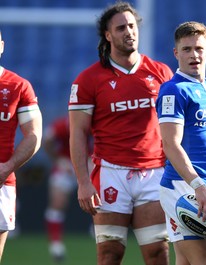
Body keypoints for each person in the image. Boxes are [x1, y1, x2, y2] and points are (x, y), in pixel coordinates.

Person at [68, 2, 173, 265]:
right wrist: (83, 181)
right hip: (111, 174)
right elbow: (78, 134)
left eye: (132, 25)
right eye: (121, 27)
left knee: (158, 254)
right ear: (108, 35)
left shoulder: (161, 73)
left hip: (154, 174)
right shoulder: (88, 79)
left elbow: (175, 127)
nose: (130, 32)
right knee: (109, 255)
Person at [156, 21, 206, 265]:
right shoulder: (174, 91)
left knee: (186, 261)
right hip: (183, 186)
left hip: (198, 184)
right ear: (176, 53)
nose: (193, 55)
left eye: (198, 48)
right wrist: (198, 185)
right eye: (186, 49)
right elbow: (171, 145)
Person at [0, 30, 42, 262]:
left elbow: (34, 134)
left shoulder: (18, 86)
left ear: (2, 46)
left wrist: (7, 167)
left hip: (1, 181)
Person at [43, 115, 93, 263]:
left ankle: (99, 231)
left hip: (86, 165)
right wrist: (58, 159)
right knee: (57, 203)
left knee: (101, 196)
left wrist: (92, 159)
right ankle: (56, 244)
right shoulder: (62, 125)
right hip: (66, 166)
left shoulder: (91, 124)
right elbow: (47, 140)